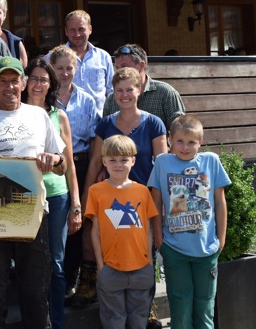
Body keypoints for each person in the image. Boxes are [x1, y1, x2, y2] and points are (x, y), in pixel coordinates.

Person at [0, 56, 67, 329]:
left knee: (35, 294)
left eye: (14, 80)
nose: (9, 87)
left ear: (23, 83)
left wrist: (54, 160)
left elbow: (63, 166)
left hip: (33, 213)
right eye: (3, 81)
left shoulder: (39, 115)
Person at [77, 67, 167, 308]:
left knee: (145, 248)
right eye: (119, 90)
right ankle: (100, 292)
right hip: (111, 199)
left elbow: (162, 165)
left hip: (143, 198)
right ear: (113, 93)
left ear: (139, 90)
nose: (124, 95)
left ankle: (147, 305)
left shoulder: (154, 123)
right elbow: (95, 162)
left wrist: (161, 201)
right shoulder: (106, 124)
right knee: (109, 245)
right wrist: (85, 196)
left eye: (129, 89)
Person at [148, 115, 229, 329]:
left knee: (205, 308)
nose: (185, 147)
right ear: (170, 140)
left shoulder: (211, 161)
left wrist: (221, 240)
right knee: (181, 308)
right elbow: (155, 203)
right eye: (180, 141)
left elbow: (220, 202)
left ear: (200, 142)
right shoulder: (163, 162)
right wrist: (160, 242)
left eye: (191, 142)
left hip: (207, 249)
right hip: (175, 250)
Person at [22, 58, 81, 329]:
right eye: (34, 78)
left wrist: (76, 205)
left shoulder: (59, 116)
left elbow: (69, 164)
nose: (38, 84)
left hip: (57, 196)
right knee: (28, 263)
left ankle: (56, 322)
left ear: (51, 84)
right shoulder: (17, 112)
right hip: (25, 194)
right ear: (25, 82)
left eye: (43, 80)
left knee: (56, 262)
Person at [85, 135, 159, 329]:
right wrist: (100, 265)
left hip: (141, 267)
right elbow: (95, 231)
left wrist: (149, 263)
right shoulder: (96, 191)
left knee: (139, 320)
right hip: (110, 268)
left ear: (133, 161)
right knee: (113, 321)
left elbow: (148, 229)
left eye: (124, 159)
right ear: (104, 161)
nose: (118, 164)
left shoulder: (143, 191)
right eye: (112, 160)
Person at [47, 45, 100, 301]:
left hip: (80, 162)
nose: (65, 73)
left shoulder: (87, 100)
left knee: (77, 223)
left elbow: (93, 139)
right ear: (52, 69)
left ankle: (72, 280)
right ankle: (54, 280)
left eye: (69, 68)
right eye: (60, 68)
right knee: (56, 223)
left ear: (76, 69)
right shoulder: (45, 98)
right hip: (53, 165)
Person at [103, 44, 185, 132]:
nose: (120, 72)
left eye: (124, 67)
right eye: (117, 68)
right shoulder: (112, 99)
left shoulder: (165, 93)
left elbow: (180, 130)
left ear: (141, 65)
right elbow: (105, 132)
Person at [48, 10, 113, 115]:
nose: (77, 34)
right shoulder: (50, 58)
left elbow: (111, 92)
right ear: (66, 31)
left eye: (81, 29)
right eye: (72, 30)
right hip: (62, 120)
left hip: (98, 121)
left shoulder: (103, 57)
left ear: (90, 29)